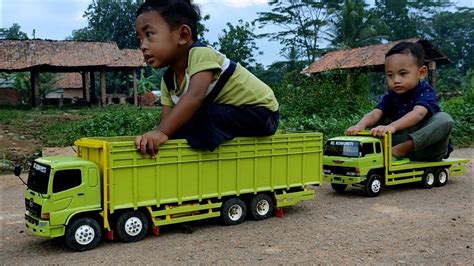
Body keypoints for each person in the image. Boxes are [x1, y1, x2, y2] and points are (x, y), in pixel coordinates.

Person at [134, 0, 279, 158]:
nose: (143, 46)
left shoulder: (201, 54)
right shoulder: (168, 81)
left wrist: (162, 132)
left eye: (149, 35)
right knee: (180, 124)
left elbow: (194, 97)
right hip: (230, 114)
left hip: (261, 113)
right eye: (140, 39)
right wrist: (159, 133)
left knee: (198, 117)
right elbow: (168, 121)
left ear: (183, 35)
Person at [346, 42, 453, 161]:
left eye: (403, 74)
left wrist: (392, 126)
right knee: (377, 124)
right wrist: (361, 125)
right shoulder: (391, 96)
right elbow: (375, 113)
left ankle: (402, 149)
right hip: (394, 147)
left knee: (445, 119)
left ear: (421, 73)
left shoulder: (425, 91)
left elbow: (418, 114)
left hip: (427, 148)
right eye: (390, 75)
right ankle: (383, 151)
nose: (396, 80)